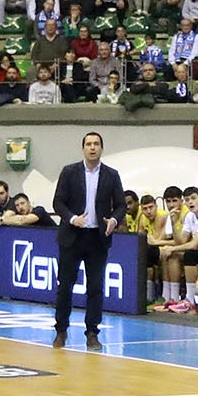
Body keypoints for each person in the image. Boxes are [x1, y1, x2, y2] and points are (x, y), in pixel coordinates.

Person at [48, 129, 127, 345]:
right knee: (65, 285)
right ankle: (61, 330)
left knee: (95, 287)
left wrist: (114, 220)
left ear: (102, 148)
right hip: (72, 237)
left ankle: (92, 333)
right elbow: (58, 202)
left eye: (96, 144)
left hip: (97, 238)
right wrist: (72, 218)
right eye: (89, 144)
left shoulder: (111, 175)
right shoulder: (69, 172)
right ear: (83, 148)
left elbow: (121, 205)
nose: (92, 147)